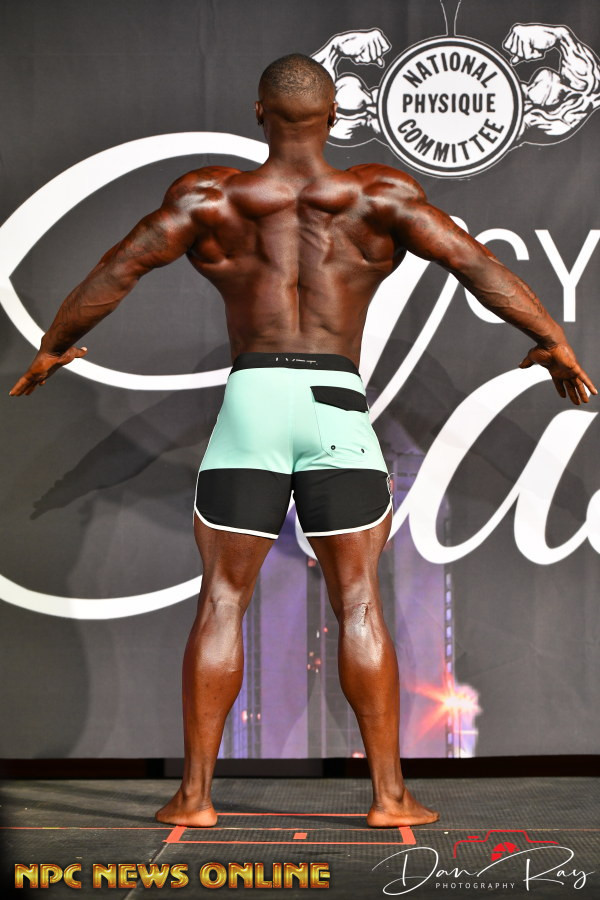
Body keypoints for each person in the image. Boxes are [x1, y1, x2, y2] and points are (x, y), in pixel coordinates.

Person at [10, 54, 596, 828]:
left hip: (252, 405)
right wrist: (552, 339)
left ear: (260, 112)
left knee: (223, 601)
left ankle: (195, 797)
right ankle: (388, 797)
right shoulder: (379, 196)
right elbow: (474, 263)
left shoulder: (211, 197)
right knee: (359, 601)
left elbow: (121, 267)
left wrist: (54, 345)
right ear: (334, 117)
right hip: (335, 409)